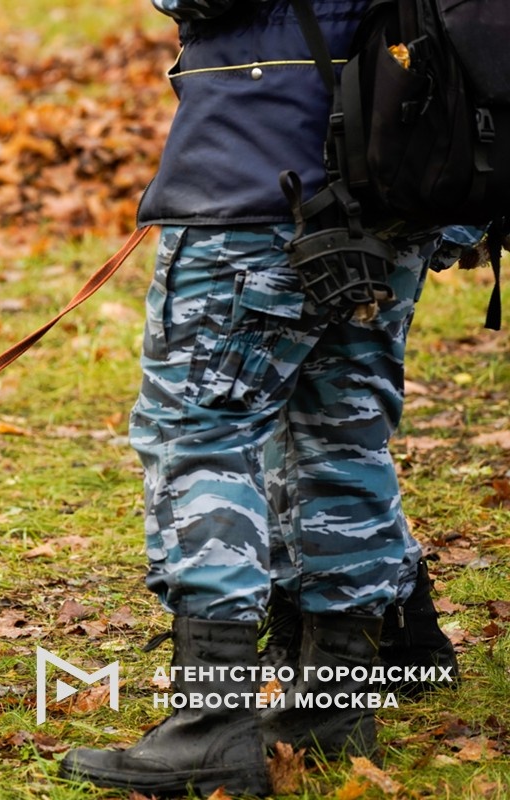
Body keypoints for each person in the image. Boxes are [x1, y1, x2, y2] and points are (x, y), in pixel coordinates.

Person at [58, 0, 479, 795]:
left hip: (260, 187)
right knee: (342, 437)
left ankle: (213, 724)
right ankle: (335, 706)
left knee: (200, 435)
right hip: (397, 179)